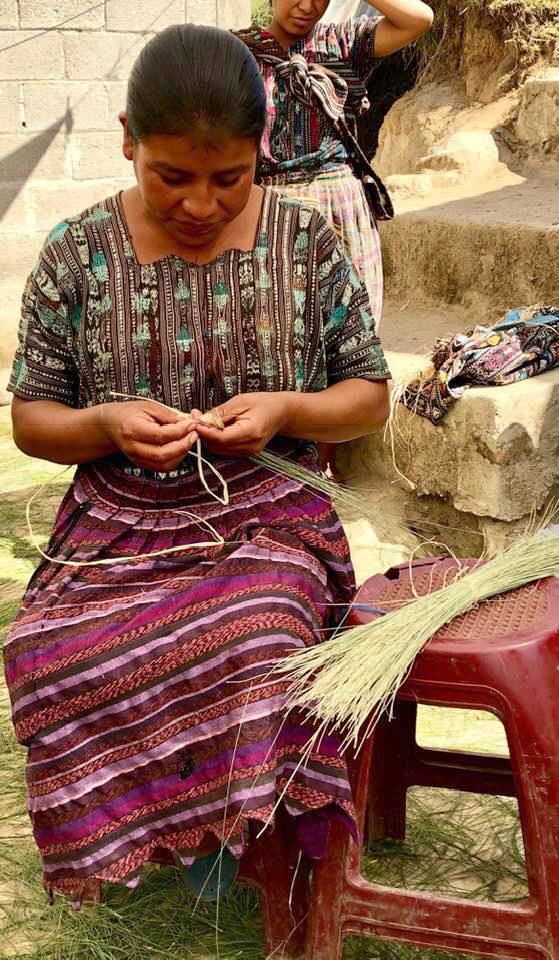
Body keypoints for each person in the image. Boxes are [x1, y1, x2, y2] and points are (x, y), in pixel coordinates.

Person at [3, 25, 390, 904]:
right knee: (46, 651)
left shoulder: (305, 244)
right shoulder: (76, 256)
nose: (203, 204)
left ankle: (232, 827)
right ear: (128, 139)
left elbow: (368, 394)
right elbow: (32, 420)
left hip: (268, 519)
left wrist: (288, 410)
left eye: (230, 179)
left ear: (260, 151)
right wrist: (103, 424)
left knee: (253, 631)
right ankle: (141, 835)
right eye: (172, 177)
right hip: (117, 524)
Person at [238, 0, 434, 329]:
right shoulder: (236, 54)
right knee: (279, 333)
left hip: (342, 211)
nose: (307, 6)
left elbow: (418, 19)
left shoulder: (344, 43)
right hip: (271, 214)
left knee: (351, 332)